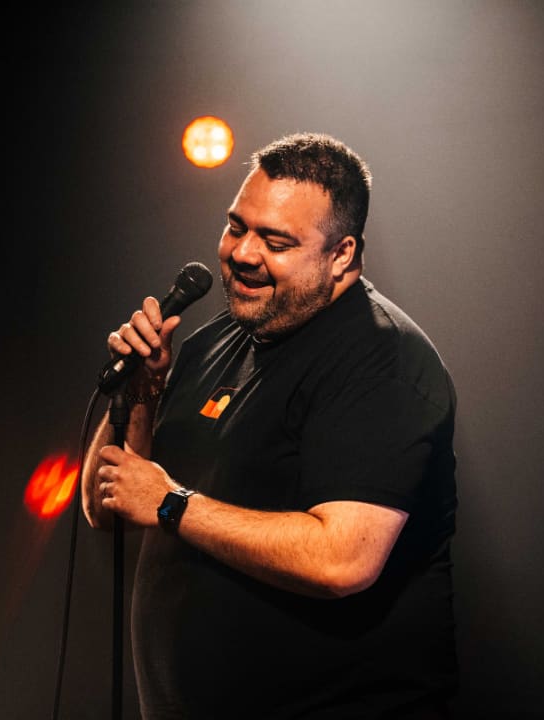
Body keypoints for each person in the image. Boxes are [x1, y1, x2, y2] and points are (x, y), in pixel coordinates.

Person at [82, 132, 458, 719]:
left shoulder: (383, 359)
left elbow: (342, 560)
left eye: (276, 241)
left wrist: (173, 505)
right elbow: (105, 505)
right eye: (237, 227)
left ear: (341, 255)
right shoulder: (212, 341)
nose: (243, 253)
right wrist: (142, 390)